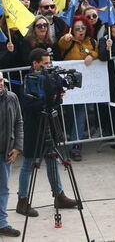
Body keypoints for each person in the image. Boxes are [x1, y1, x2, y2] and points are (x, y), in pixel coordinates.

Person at [16, 50, 78, 217]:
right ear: (35, 64)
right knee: (29, 163)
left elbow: (59, 97)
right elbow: (29, 104)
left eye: (49, 63)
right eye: (44, 64)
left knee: (52, 159)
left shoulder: (53, 76)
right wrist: (49, 100)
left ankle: (59, 195)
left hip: (50, 122)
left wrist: (56, 96)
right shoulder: (29, 80)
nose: (48, 67)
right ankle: (22, 201)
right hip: (34, 126)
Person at [0, 72, 22, 237]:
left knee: (3, 188)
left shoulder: (11, 97)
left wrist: (17, 147)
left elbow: (18, 122)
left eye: (1, 80)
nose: (0, 84)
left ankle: (2, 223)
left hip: (4, 151)